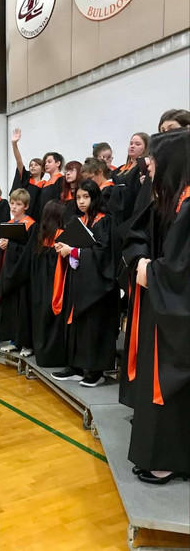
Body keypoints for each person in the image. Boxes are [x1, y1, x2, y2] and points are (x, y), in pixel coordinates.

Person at [120, 129, 190, 484]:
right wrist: (139, 260)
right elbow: (138, 233)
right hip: (163, 304)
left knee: (172, 381)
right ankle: (162, 453)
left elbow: (183, 267)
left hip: (176, 309)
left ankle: (172, 457)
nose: (147, 163)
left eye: (153, 159)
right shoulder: (172, 199)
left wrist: (153, 272)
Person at [52, 180, 121, 386]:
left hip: (99, 287)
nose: (81, 202)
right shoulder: (80, 221)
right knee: (78, 324)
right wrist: (65, 246)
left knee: (94, 325)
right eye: (78, 197)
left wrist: (73, 251)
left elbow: (104, 253)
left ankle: (95, 371)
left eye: (86, 197)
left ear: (95, 198)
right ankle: (76, 366)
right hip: (80, 280)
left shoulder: (105, 221)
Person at [0, 189, 38, 357]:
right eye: (12, 203)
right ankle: (14, 341)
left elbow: (28, 251)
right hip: (9, 271)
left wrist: (10, 245)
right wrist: (2, 244)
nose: (14, 207)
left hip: (22, 274)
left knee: (23, 309)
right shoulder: (9, 222)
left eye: (18, 204)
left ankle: (27, 344)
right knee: (11, 308)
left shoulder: (31, 225)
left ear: (26, 206)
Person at [31, 200, 67, 367]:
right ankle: (55, 357)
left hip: (39, 286)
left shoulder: (41, 236)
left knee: (41, 317)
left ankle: (42, 354)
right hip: (56, 285)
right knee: (54, 319)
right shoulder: (62, 236)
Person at [10, 128, 45, 221]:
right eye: (31, 165)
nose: (32, 167)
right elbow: (19, 161)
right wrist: (14, 144)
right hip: (23, 218)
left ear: (42, 169)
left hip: (38, 219)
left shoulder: (46, 185)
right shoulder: (26, 179)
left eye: (36, 165)